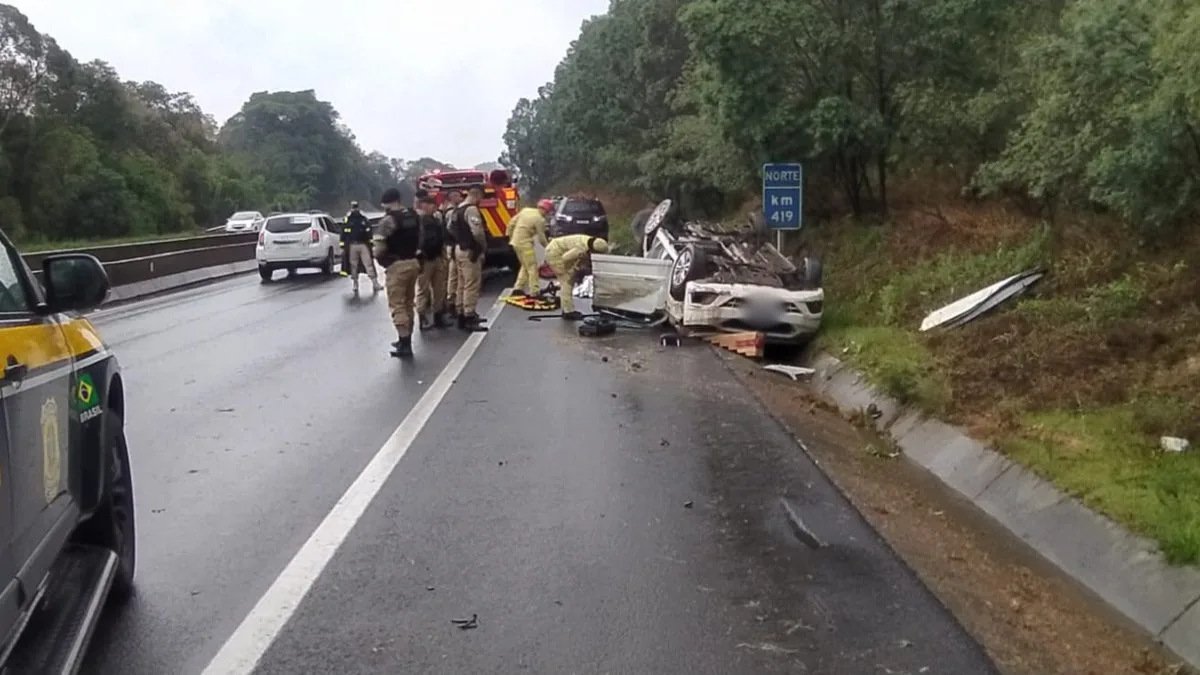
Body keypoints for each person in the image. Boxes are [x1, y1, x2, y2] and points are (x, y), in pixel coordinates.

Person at [373, 187, 424, 357]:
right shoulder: (414, 215)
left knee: (397, 304)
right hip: (413, 262)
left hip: (397, 265)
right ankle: (406, 338)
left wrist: (383, 260)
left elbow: (379, 248)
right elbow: (421, 238)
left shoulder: (388, 220)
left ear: (387, 203)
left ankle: (404, 342)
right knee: (409, 303)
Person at [447, 186, 488, 330]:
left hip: (459, 248)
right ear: (477, 195)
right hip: (470, 251)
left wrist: (459, 240)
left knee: (461, 283)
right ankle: (469, 315)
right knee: (472, 283)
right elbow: (477, 232)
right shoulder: (471, 209)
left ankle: (460, 312)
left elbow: (450, 228)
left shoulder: (457, 210)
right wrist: (482, 246)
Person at [544, 234, 609, 320]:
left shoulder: (589, 242)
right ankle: (568, 312)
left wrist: (576, 268)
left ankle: (566, 309)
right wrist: (571, 271)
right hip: (555, 254)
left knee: (568, 280)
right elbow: (565, 258)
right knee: (566, 282)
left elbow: (580, 259)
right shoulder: (580, 249)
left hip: (558, 250)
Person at [413, 190, 448, 329]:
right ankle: (422, 317)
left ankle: (438, 316)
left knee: (439, 289)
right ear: (424, 205)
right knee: (423, 289)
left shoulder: (435, 220)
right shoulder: (418, 221)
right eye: (432, 205)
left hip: (436, 257)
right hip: (424, 259)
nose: (434, 208)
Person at [507, 199, 553, 297]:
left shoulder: (525, 211)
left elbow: (511, 224)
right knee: (532, 267)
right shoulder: (540, 220)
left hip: (515, 243)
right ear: (546, 210)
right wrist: (549, 247)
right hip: (525, 245)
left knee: (525, 266)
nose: (547, 214)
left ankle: (518, 288)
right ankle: (535, 291)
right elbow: (541, 238)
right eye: (548, 212)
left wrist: (511, 237)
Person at [342, 201, 381, 293]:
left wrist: (371, 244)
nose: (355, 209)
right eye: (353, 207)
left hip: (363, 244)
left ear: (358, 208)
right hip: (352, 245)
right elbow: (343, 232)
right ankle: (355, 284)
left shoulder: (363, 219)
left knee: (368, 264)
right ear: (351, 208)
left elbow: (369, 232)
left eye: (356, 207)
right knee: (353, 265)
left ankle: (375, 283)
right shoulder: (347, 219)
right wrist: (343, 245)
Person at [440, 190, 463, 322]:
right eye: (458, 196)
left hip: (450, 245)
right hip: (452, 246)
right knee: (454, 275)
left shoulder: (448, 210)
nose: (461, 198)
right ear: (452, 197)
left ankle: (451, 301)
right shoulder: (450, 212)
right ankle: (452, 302)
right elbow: (451, 229)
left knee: (453, 275)